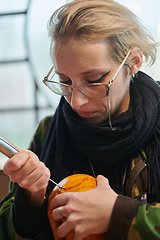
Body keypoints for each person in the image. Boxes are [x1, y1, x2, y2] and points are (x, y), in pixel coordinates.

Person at [0, 0, 160, 239]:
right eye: (64, 82)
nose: (75, 102)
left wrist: (119, 216)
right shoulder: (48, 132)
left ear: (134, 62)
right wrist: (31, 197)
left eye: (94, 80)